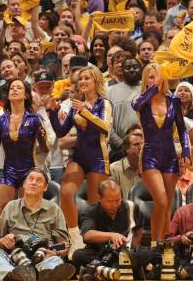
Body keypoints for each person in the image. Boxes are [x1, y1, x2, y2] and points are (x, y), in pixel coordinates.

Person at [48, 65, 112, 258]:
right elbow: (61, 132)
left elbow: (105, 127)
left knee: (95, 205)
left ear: (96, 82)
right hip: (79, 157)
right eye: (80, 79)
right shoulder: (76, 104)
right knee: (66, 191)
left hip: (98, 157)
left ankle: (97, 246)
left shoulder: (104, 103)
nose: (83, 82)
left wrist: (85, 111)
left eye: (87, 78)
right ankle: (75, 235)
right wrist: (52, 112)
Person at [0, 169, 76, 281]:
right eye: (30, 179)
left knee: (56, 261)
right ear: (24, 184)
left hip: (43, 256)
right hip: (15, 256)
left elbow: (64, 245)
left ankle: (42, 275)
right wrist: (4, 241)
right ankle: (14, 276)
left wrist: (55, 252)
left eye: (39, 180)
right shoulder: (11, 206)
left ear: (45, 187)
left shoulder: (54, 209)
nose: (33, 182)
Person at [132, 62, 190, 244]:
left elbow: (182, 129)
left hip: (170, 157)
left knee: (166, 208)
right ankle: (155, 245)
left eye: (159, 76)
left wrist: (186, 151)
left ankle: (164, 246)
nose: (156, 79)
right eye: (151, 76)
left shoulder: (174, 101)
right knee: (162, 201)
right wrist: (153, 88)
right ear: (146, 80)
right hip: (149, 156)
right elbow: (136, 106)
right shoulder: (140, 100)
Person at [0, 78, 49, 219]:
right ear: (8, 95)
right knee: (2, 212)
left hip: (29, 172)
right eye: (12, 88)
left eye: (19, 88)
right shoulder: (0, 121)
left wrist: (42, 135)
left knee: (28, 213)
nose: (14, 90)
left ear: (26, 95)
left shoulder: (35, 119)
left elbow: (45, 148)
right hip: (8, 171)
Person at [72, 179, 155, 279]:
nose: (115, 204)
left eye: (118, 200)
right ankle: (114, 271)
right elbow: (87, 235)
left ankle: (101, 272)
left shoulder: (131, 207)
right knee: (78, 255)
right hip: (99, 253)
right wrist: (111, 235)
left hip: (124, 253)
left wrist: (134, 246)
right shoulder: (91, 211)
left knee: (148, 253)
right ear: (99, 198)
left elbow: (139, 227)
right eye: (110, 201)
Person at [107, 57, 142, 160]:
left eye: (135, 67)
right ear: (122, 70)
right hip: (118, 148)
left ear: (141, 69)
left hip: (145, 146)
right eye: (127, 67)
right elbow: (107, 122)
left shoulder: (147, 89)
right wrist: (121, 144)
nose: (131, 70)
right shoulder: (110, 91)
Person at [109, 131, 142, 200]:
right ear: (127, 149)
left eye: (142, 144)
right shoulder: (114, 169)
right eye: (136, 144)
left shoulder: (151, 170)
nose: (140, 147)